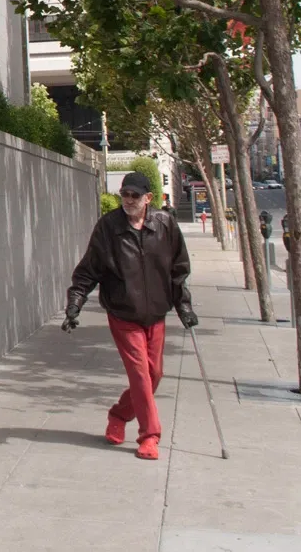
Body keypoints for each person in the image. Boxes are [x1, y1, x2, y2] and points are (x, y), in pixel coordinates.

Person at [62, 171, 196, 461]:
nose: (128, 200)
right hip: (123, 313)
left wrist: (183, 305)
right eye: (125, 194)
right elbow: (88, 270)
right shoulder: (108, 227)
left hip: (156, 313)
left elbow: (178, 269)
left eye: (135, 195)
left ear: (148, 198)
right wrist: (75, 303)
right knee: (139, 374)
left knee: (154, 374)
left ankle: (120, 414)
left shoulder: (165, 224)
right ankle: (150, 436)